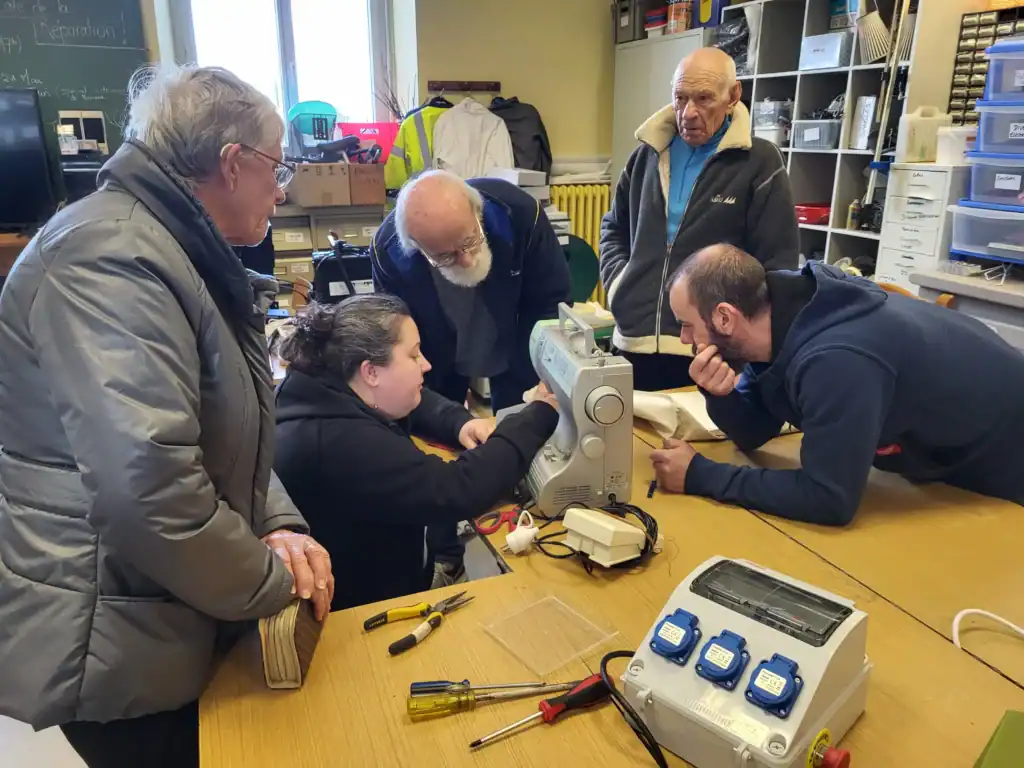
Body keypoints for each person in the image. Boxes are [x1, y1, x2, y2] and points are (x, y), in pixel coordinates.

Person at [0, 65, 334, 768]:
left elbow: (218, 433)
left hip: (158, 605)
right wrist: (272, 582)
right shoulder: (109, 257)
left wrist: (274, 522)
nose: (281, 189)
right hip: (114, 639)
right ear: (232, 163)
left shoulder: (169, 248)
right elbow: (148, 490)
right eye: (277, 168)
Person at [650, 244, 1024, 525]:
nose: (685, 339)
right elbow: (755, 432)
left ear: (725, 317)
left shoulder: (836, 359)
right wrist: (722, 396)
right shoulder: (777, 318)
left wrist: (700, 475)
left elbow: (828, 499)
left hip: (1003, 458)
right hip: (945, 454)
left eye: (687, 325)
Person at [274, 296, 560, 610]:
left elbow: (411, 398)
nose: (426, 364)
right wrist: (539, 414)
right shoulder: (340, 441)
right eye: (413, 355)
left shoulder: (321, 384)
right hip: (362, 612)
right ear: (371, 372)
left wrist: (461, 423)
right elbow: (459, 489)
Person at [371, 169, 570, 581]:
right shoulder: (390, 251)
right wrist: (444, 411)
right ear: (417, 249)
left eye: (469, 242)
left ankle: (524, 549)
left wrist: (543, 373)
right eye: (444, 256)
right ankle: (447, 555)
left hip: (516, 346)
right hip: (433, 356)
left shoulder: (518, 214)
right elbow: (393, 337)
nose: (464, 260)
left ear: (477, 214)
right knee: (437, 453)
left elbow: (551, 304)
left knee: (523, 446)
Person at [599, 47, 799, 391]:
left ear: (732, 96)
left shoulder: (759, 162)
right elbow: (613, 227)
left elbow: (778, 262)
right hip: (634, 340)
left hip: (711, 350)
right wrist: (621, 284)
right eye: (680, 98)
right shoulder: (647, 155)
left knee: (700, 428)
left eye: (704, 98)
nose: (688, 113)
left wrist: (746, 342)